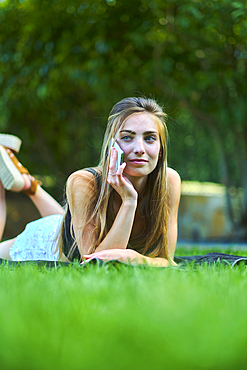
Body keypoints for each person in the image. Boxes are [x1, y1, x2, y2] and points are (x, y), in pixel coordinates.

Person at [0, 97, 181, 267]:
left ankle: (29, 185)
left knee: (65, 221)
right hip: (45, 241)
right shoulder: (83, 181)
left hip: (73, 227)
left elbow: (167, 260)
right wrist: (129, 200)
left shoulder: (169, 182)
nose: (140, 149)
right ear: (112, 146)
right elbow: (95, 263)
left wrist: (134, 258)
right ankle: (16, 183)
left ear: (160, 148)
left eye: (150, 138)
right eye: (127, 137)